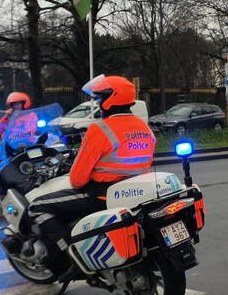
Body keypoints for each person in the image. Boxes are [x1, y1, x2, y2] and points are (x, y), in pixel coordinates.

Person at [26, 75, 156, 244]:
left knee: (36, 207)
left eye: (100, 97)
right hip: (135, 194)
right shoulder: (144, 128)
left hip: (103, 196)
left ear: (112, 97)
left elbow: (77, 180)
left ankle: (67, 253)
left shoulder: (100, 129)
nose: (98, 103)